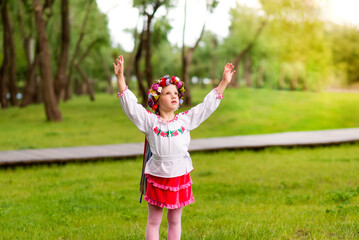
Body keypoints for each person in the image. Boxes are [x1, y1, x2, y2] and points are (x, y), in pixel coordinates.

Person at [113, 55, 235, 240]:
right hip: (157, 175)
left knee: (175, 220)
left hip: (180, 174)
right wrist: (120, 77)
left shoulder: (185, 120)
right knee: (154, 220)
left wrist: (223, 82)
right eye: (167, 93)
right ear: (157, 99)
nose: (173, 96)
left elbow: (205, 107)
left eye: (176, 93)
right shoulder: (149, 121)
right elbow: (130, 106)